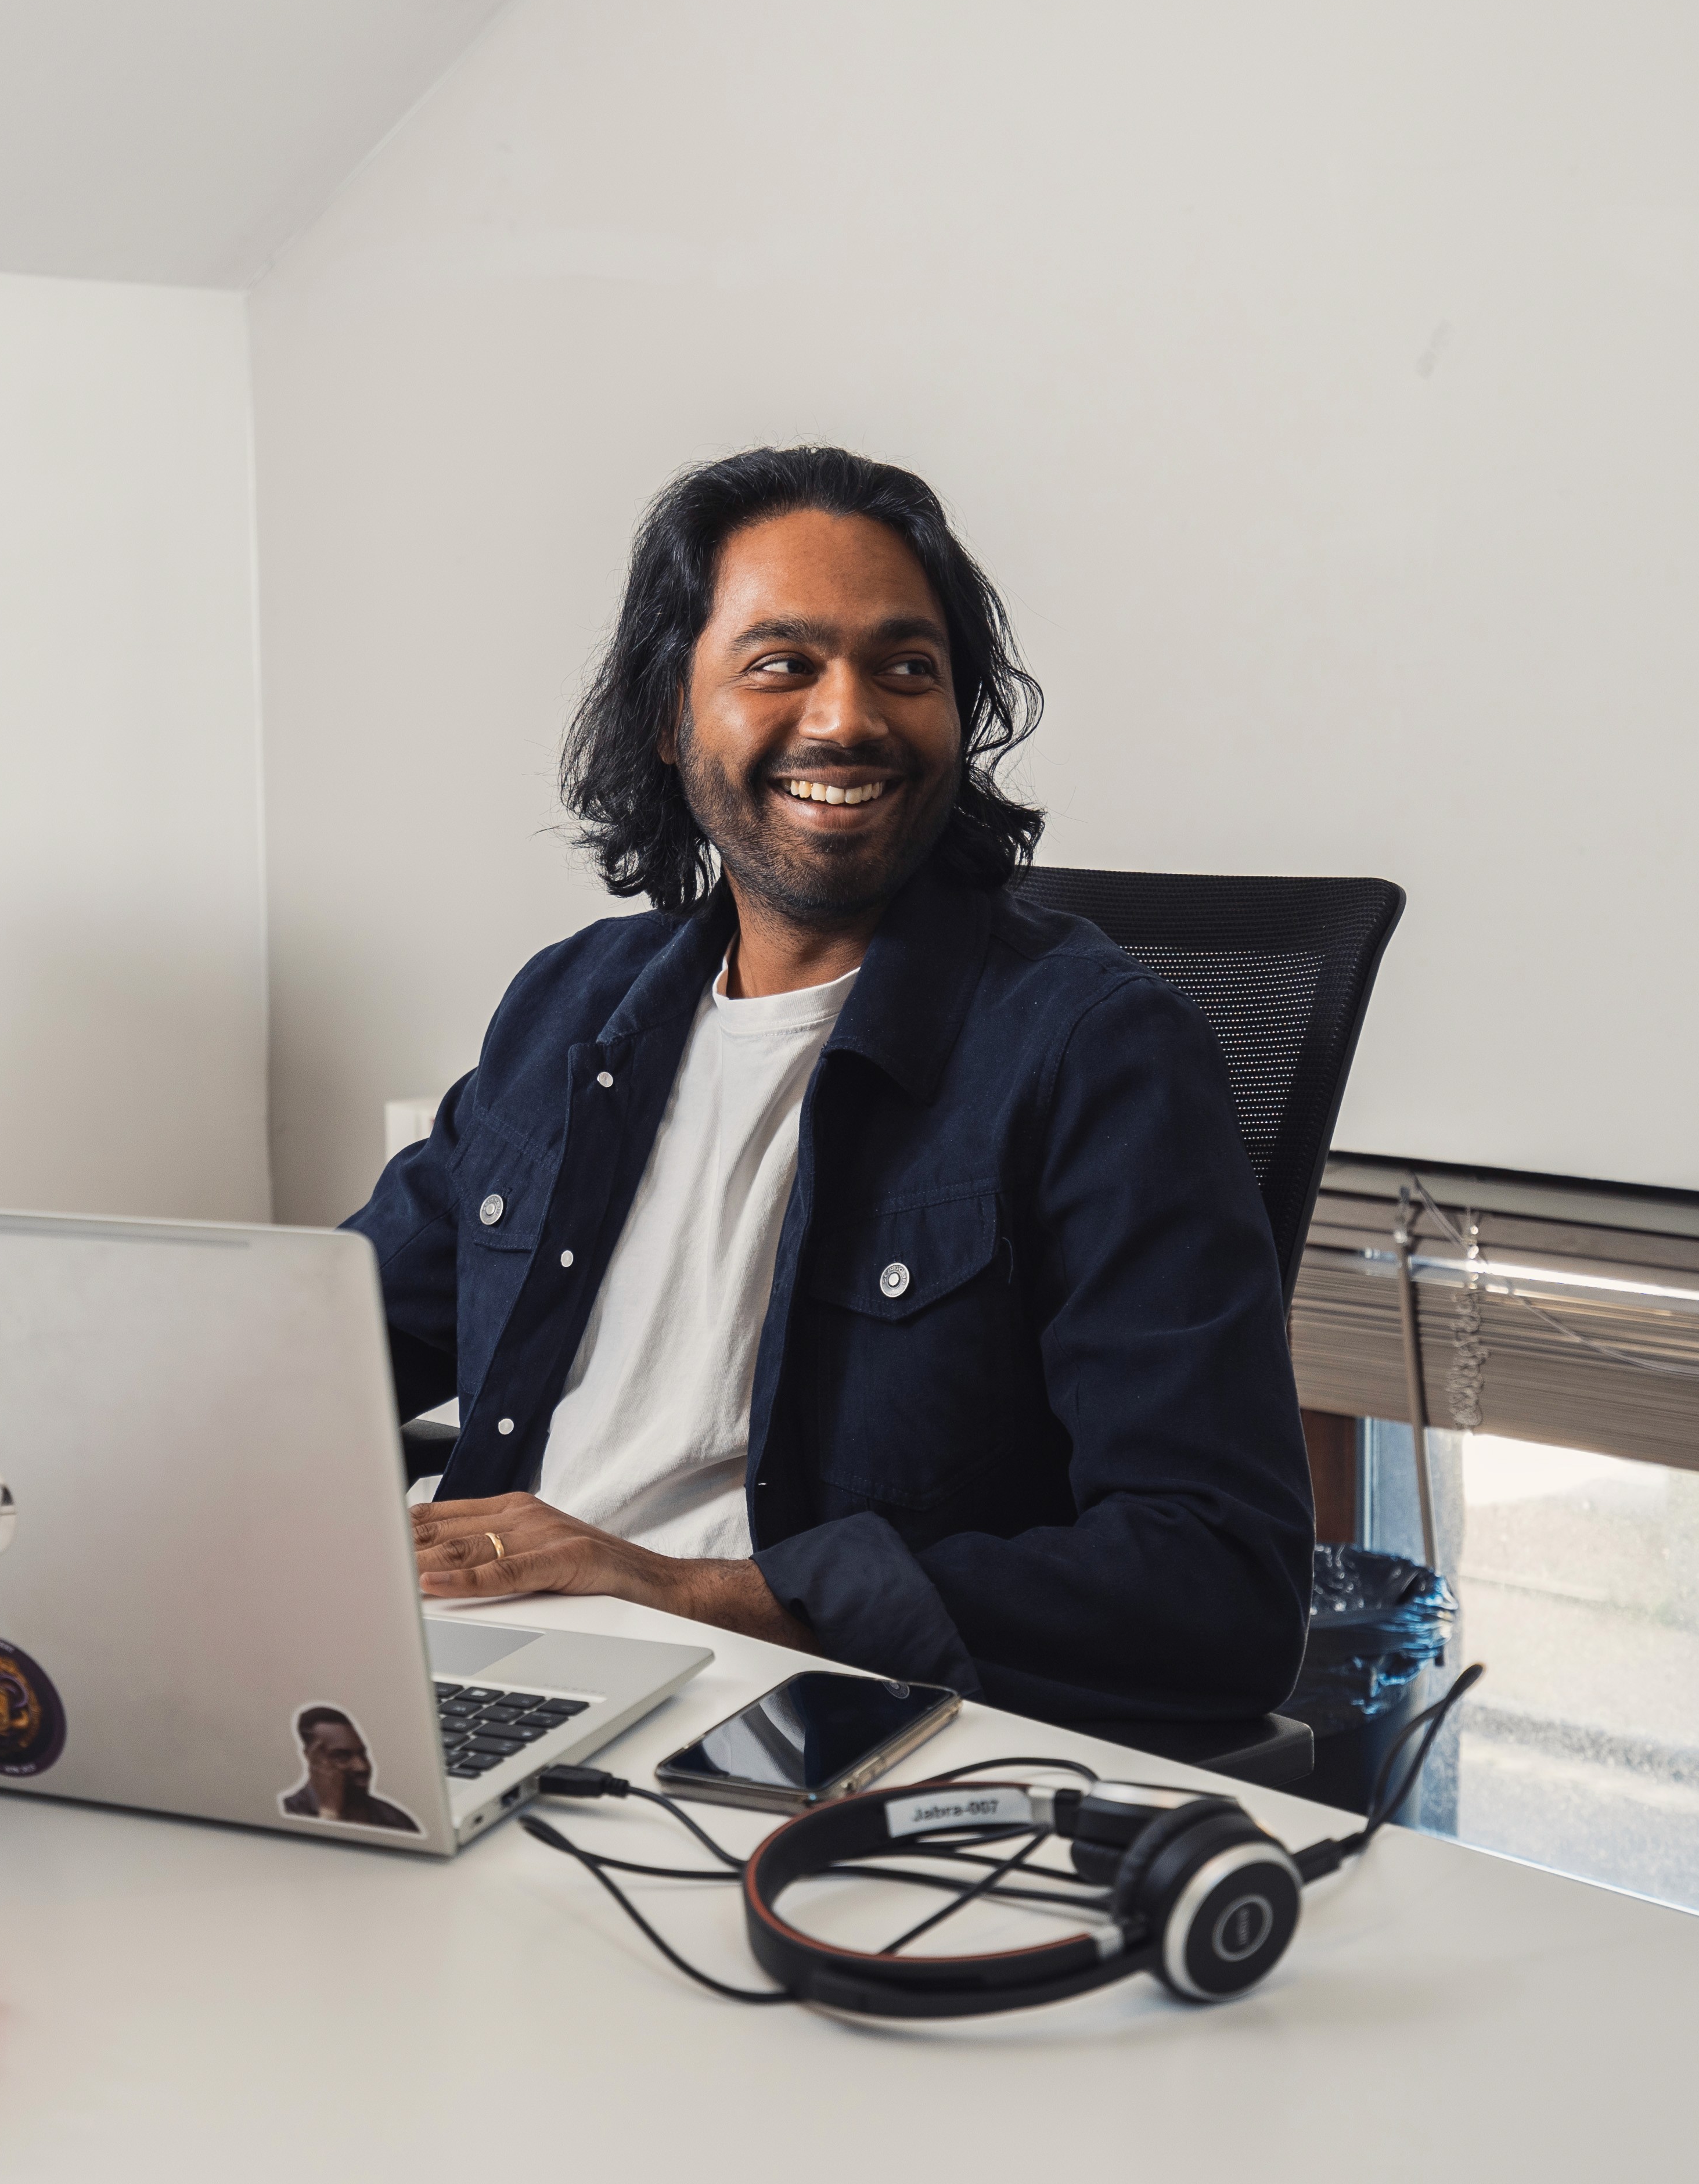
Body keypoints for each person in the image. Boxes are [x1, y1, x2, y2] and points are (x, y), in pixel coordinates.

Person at [352, 447, 1312, 1748]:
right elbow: (320, 1345)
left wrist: (678, 1586)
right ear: (668, 714)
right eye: (780, 663)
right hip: (495, 1676)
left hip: (815, 1729)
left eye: (905, 669)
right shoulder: (570, 1010)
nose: (848, 717)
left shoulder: (1100, 1052)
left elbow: (1216, 1584)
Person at [279, 1706, 422, 1832]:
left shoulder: (395, 1821)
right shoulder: (287, 1812)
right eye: (342, 1756)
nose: (362, 1767)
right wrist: (329, 1812)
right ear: (312, 1758)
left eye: (362, 1754)